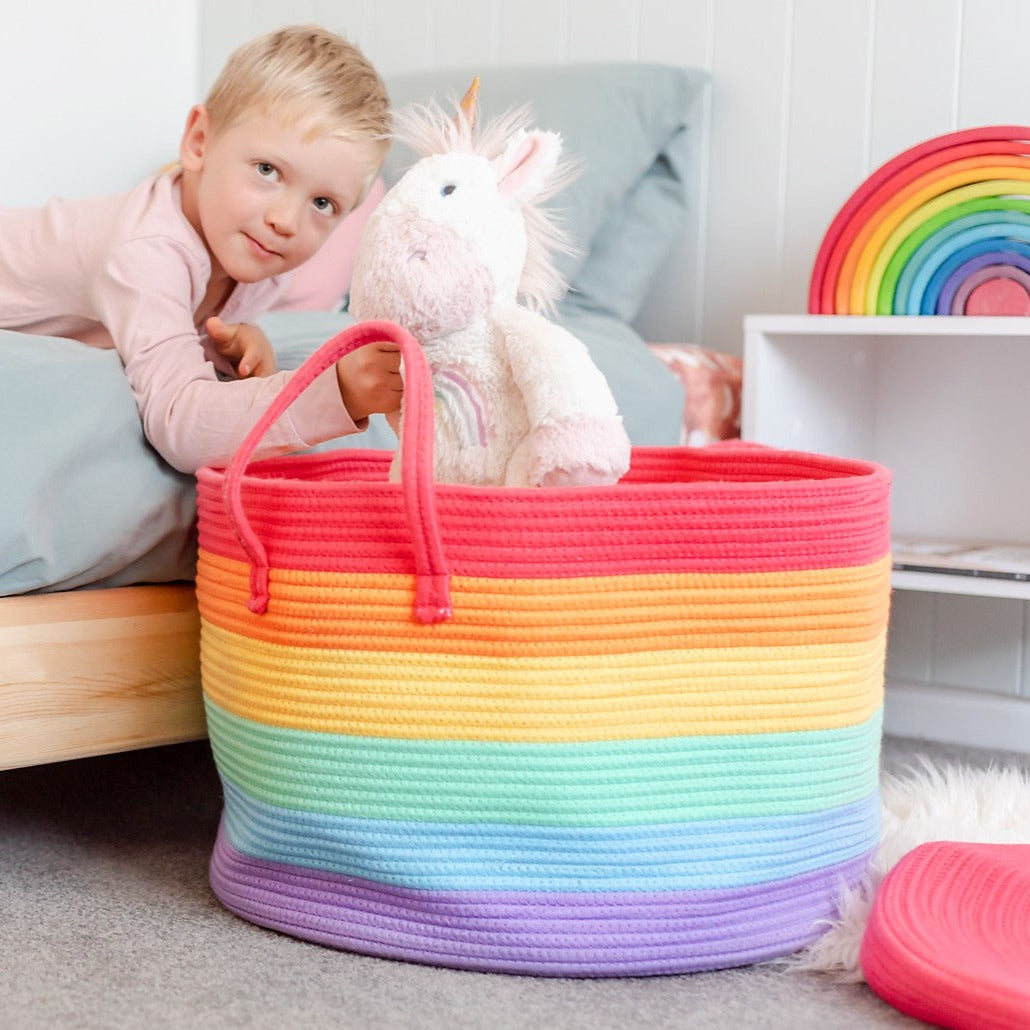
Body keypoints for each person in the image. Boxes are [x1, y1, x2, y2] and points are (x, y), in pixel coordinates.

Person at [0, 25, 400, 473]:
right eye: (267, 170)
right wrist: (332, 393)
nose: (285, 221)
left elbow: (163, 333)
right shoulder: (147, 251)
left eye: (322, 203)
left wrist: (222, 346)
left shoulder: (256, 253)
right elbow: (180, 424)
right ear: (198, 143)